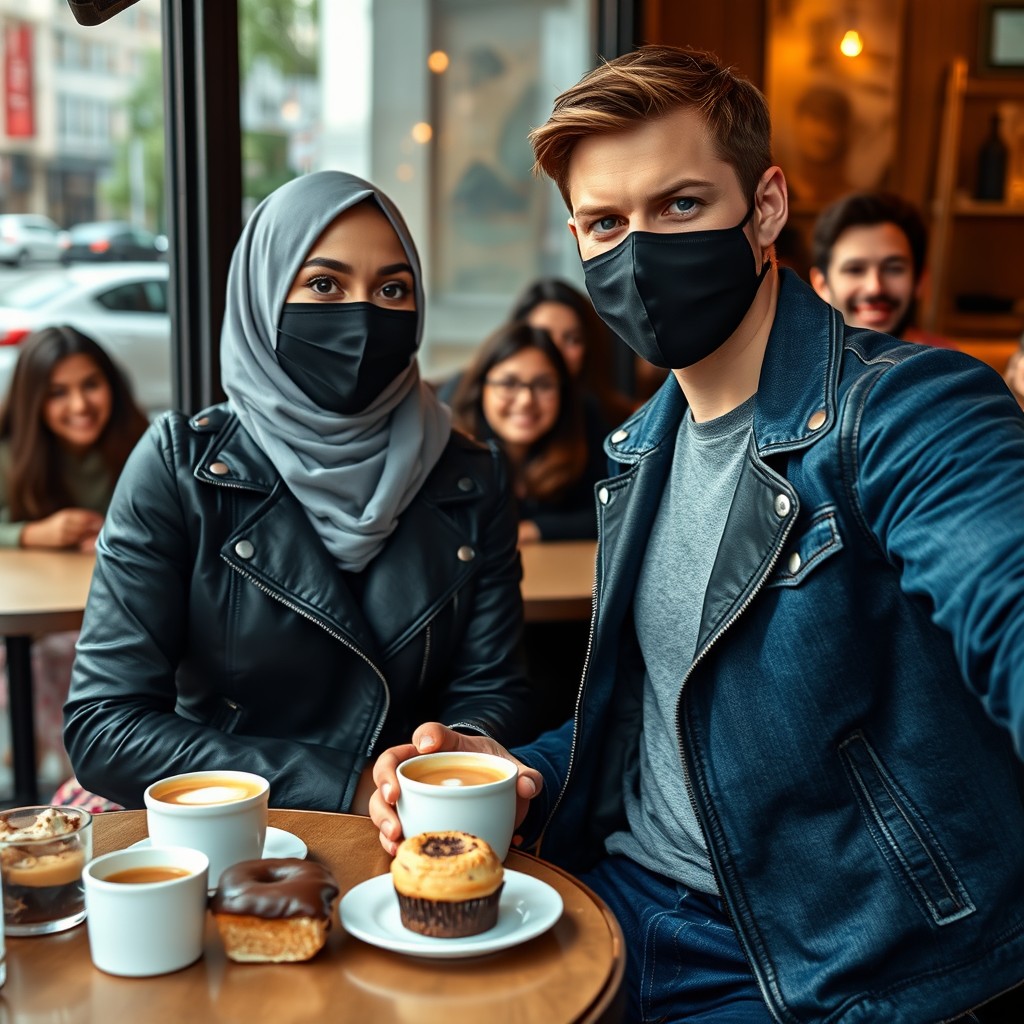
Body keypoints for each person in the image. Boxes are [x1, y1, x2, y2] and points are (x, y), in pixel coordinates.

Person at [369, 46, 1024, 1023]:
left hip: (822, 961)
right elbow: (666, 715)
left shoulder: (905, 411)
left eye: (679, 206)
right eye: (603, 222)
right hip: (617, 908)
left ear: (763, 209)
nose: (636, 250)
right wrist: (525, 770)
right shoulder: (640, 450)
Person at [62, 170, 532, 813]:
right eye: (323, 284)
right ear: (261, 295)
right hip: (224, 827)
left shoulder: (471, 474)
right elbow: (106, 727)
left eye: (393, 288)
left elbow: (492, 687)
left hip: (409, 825)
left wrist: (454, 753)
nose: (363, 316)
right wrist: (349, 783)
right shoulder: (181, 466)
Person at [0, 326, 148, 779]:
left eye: (90, 385)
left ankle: (81, 778)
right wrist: (30, 533)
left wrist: (118, 531)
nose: (79, 405)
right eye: (57, 392)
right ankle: (56, 773)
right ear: (33, 401)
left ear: (112, 385)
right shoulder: (9, 454)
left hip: (115, 608)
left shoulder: (142, 446)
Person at [449, 321, 603, 544]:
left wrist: (533, 529)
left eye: (543, 385)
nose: (526, 400)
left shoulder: (582, 440)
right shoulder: (451, 453)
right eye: (508, 384)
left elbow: (613, 516)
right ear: (480, 388)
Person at [809, 189, 953, 345]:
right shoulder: (798, 364)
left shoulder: (949, 365)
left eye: (894, 269)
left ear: (920, 281)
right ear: (822, 284)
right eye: (855, 270)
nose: (875, 287)